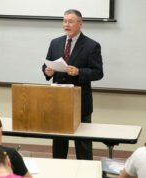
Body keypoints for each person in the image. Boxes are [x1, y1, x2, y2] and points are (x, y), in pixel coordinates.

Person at [42, 9, 103, 160]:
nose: (66, 25)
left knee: (82, 145)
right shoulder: (55, 42)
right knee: (59, 145)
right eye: (64, 21)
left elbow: (98, 72)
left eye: (70, 21)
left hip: (80, 103)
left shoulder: (92, 45)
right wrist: (47, 72)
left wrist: (79, 72)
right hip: (58, 101)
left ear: (80, 24)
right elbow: (46, 65)